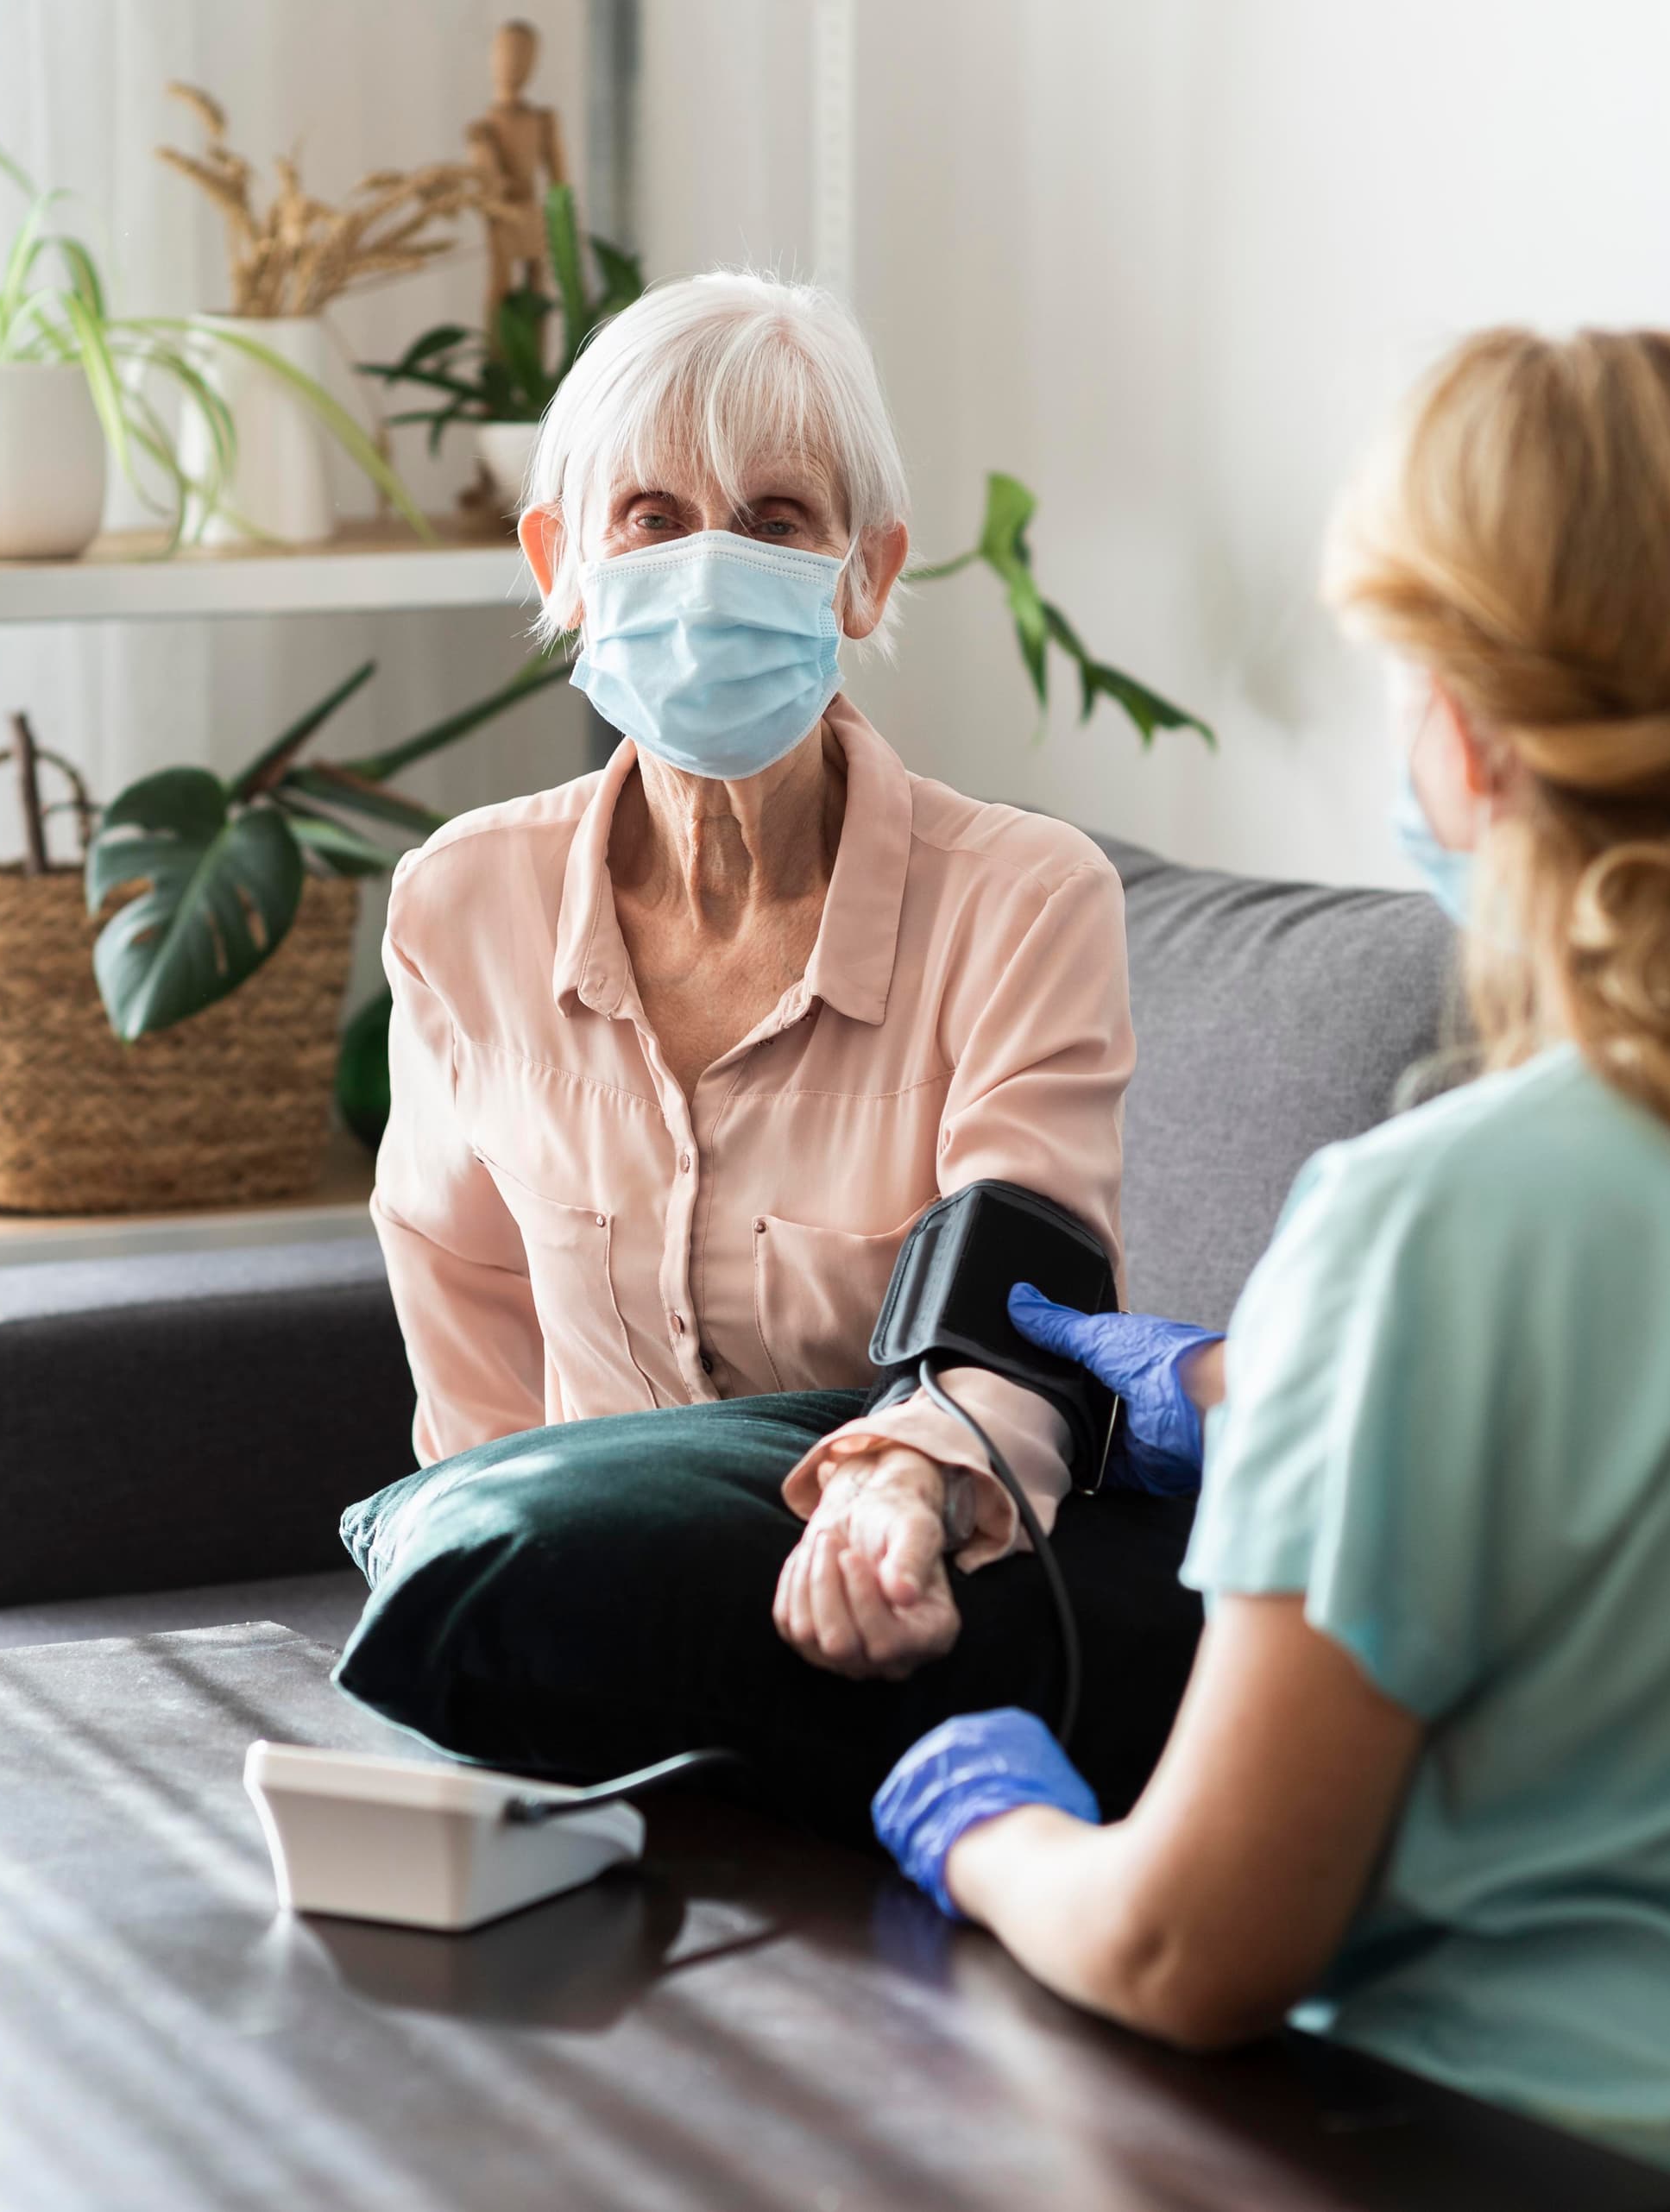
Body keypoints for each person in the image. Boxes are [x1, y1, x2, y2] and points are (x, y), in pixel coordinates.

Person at [873, 330, 1670, 2210]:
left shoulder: (1433, 1227)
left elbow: (1191, 1954)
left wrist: (985, 1823)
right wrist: (1288, 1413)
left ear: (1465, 728)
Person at [370, 272, 1137, 1685]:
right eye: (650, 518)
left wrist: (900, 1491)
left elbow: (1019, 1317)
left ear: (868, 573)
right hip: (582, 1593)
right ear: (561, 563)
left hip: (899, 1579)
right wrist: (477, 1582)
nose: (708, 567)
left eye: (777, 520)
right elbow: (463, 1316)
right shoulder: (463, 903)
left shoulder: (1027, 902)